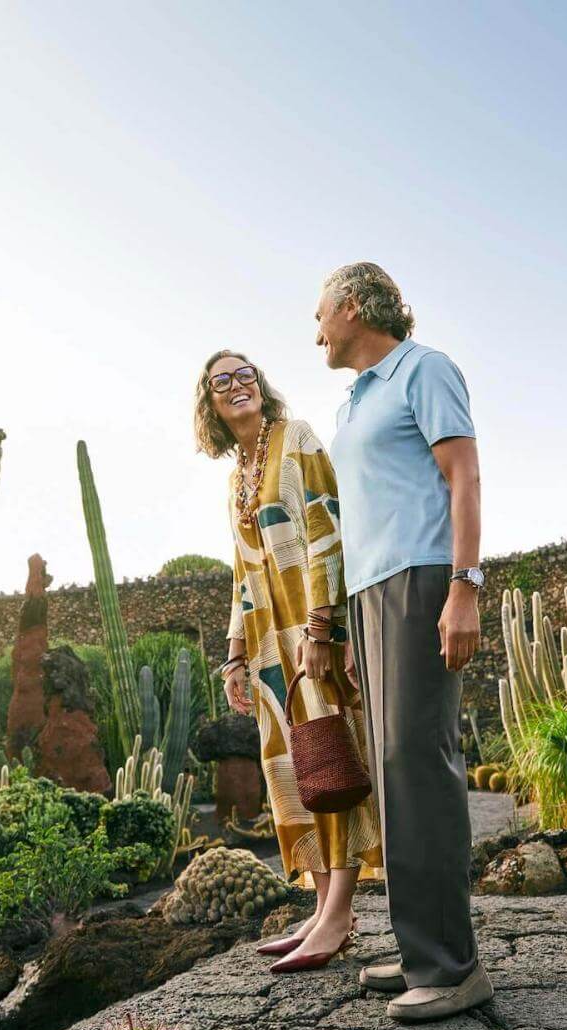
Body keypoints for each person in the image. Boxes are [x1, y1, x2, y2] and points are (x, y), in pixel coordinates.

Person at [317, 262, 492, 1022]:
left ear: (354, 305)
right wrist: (354, 626)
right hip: (373, 592)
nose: (316, 330)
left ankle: (452, 968)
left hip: (422, 579)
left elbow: (464, 477)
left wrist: (464, 585)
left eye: (320, 313)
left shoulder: (423, 369)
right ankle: (421, 946)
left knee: (419, 763)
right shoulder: (356, 400)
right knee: (393, 771)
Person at [195, 349, 384, 974]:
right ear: (210, 404)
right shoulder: (236, 478)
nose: (237, 385)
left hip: (309, 629)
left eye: (244, 374)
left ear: (260, 384)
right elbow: (241, 573)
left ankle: (340, 913)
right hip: (266, 642)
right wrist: (235, 657)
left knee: (332, 757)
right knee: (296, 772)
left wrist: (324, 628)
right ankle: (323, 905)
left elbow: (329, 529)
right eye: (221, 381)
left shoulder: (296, 438)